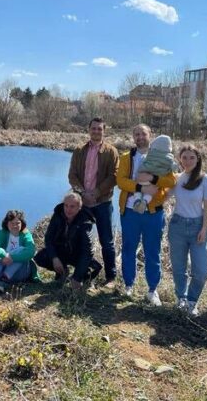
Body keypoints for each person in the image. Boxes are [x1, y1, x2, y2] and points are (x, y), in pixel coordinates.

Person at [117, 124, 176, 304]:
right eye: (136, 134)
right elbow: (120, 181)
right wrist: (140, 187)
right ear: (133, 137)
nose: (140, 136)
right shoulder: (127, 157)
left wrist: (154, 179)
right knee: (128, 248)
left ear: (150, 135)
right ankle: (128, 285)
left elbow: (171, 180)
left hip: (153, 213)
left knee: (153, 251)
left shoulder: (163, 157)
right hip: (129, 211)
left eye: (143, 133)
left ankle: (152, 290)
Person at [68, 117, 119, 289]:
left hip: (103, 202)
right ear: (88, 130)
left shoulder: (111, 151)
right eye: (94, 128)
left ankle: (111, 277)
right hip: (83, 204)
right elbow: (72, 176)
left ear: (104, 131)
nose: (96, 131)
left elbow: (114, 177)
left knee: (107, 241)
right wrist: (83, 193)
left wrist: (96, 193)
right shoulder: (78, 150)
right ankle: (82, 274)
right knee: (82, 240)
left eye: (100, 129)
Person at [167, 144, 207, 316]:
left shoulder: (204, 179)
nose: (187, 161)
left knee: (200, 270)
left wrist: (204, 228)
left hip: (197, 227)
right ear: (179, 159)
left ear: (198, 159)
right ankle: (181, 298)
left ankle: (192, 301)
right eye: (184, 157)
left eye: (191, 157)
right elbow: (164, 196)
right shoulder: (176, 178)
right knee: (179, 267)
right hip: (177, 226)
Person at [34, 192, 102, 291]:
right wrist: (54, 258)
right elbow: (49, 238)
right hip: (62, 250)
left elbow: (87, 251)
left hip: (77, 254)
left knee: (94, 268)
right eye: (66, 205)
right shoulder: (58, 215)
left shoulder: (85, 221)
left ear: (79, 207)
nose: (68, 209)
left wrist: (77, 277)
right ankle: (63, 272)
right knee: (40, 257)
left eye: (72, 206)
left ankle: (82, 278)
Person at [0, 210, 39, 295]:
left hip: (20, 272)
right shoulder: (2, 233)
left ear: (22, 223)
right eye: (11, 223)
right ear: (7, 223)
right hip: (1, 270)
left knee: (20, 250)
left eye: (17, 223)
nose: (15, 226)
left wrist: (11, 257)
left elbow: (30, 251)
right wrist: (3, 256)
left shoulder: (26, 234)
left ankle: (4, 280)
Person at [130, 135, 178, 214]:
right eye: (137, 134)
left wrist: (150, 177)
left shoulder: (150, 154)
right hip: (154, 185)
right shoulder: (169, 158)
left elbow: (172, 182)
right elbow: (174, 173)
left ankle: (137, 200)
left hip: (141, 179)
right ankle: (145, 201)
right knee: (151, 192)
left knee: (138, 188)